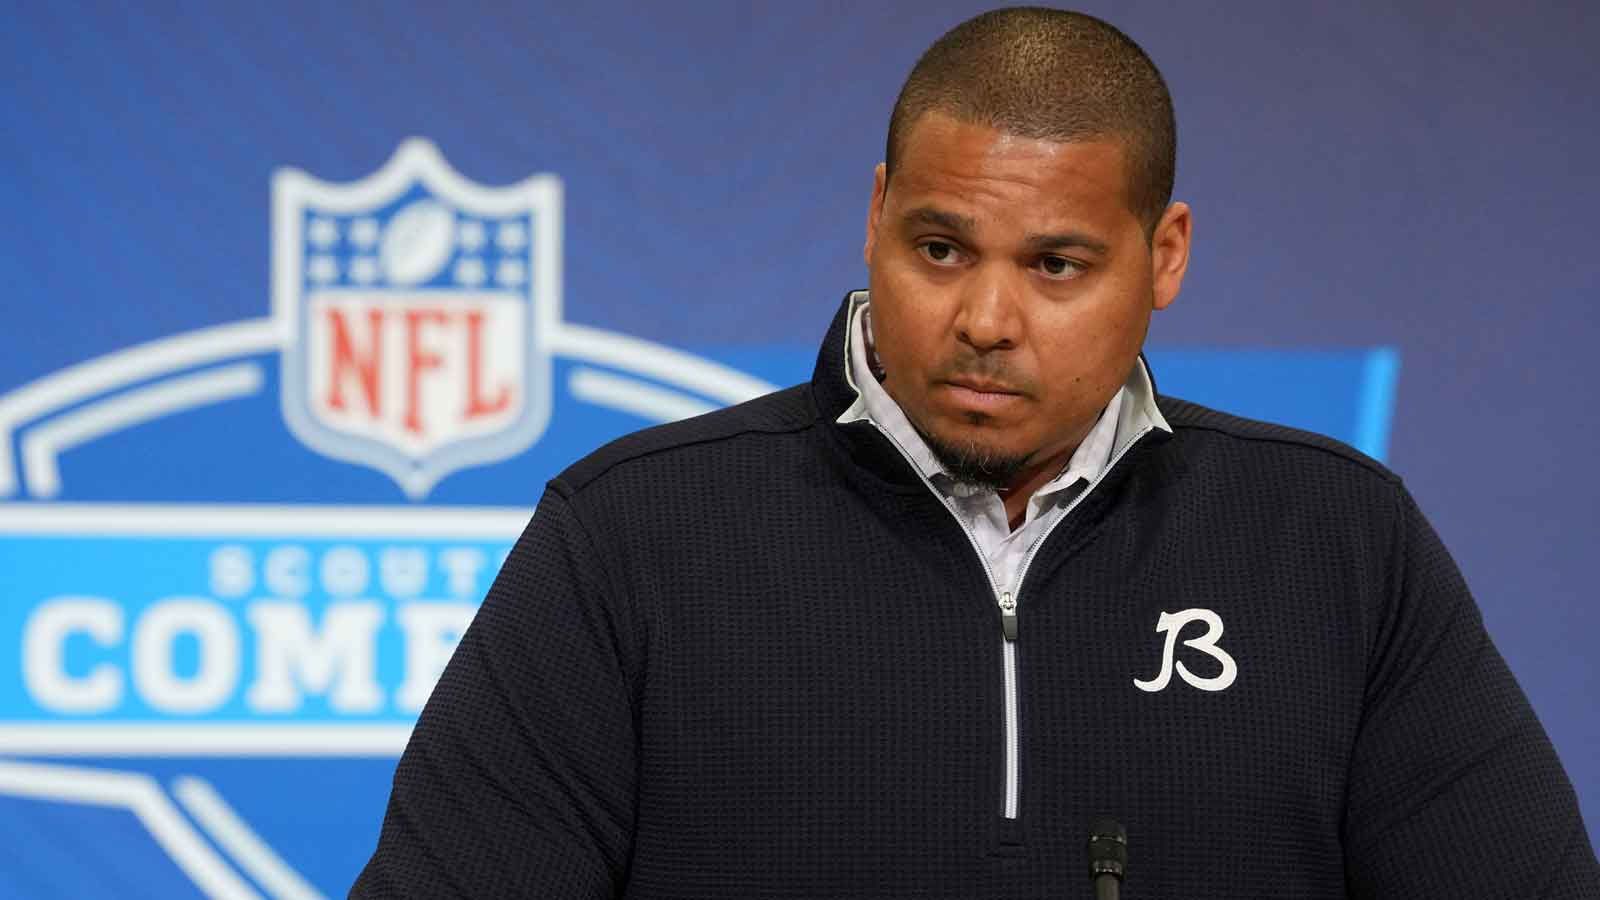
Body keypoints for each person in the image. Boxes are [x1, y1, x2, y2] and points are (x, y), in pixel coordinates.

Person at [352, 8, 1598, 898]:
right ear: (874, 217)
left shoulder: (1335, 542)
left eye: (1055, 265)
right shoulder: (632, 536)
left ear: (1163, 255)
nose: (985, 320)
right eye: (940, 249)